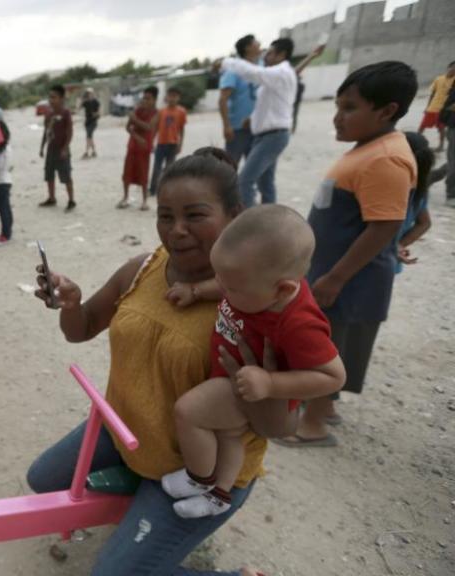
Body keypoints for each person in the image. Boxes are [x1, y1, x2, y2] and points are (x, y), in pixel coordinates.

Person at [28, 149, 266, 576]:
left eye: (194, 216)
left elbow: (284, 422)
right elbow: (80, 329)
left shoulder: (255, 304)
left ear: (235, 215)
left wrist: (260, 388)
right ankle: (141, 502)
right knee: (42, 480)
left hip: (195, 470)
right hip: (123, 430)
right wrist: (71, 302)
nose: (176, 231)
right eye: (165, 216)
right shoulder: (143, 269)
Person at [160, 205, 345, 519]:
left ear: (283, 289)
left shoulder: (299, 322)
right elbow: (223, 283)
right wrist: (196, 290)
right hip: (238, 376)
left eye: (232, 288)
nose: (224, 291)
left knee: (188, 412)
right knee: (227, 435)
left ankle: (199, 478)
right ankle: (219, 496)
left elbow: (333, 376)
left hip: (249, 384)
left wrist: (271, 383)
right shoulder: (254, 281)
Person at [278, 61, 418, 447]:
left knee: (326, 347)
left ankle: (314, 425)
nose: (338, 117)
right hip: (332, 273)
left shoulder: (386, 158)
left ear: (387, 111)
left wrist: (336, 278)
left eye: (350, 108)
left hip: (348, 280)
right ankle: (323, 407)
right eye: (338, 106)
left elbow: (385, 226)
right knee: (325, 340)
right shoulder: (368, 148)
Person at [218, 38, 298, 207]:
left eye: (269, 52)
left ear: (281, 55)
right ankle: (269, 223)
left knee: (244, 182)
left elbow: (254, 73)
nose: (265, 54)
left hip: (272, 136)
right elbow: (271, 105)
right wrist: (253, 119)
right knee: (265, 183)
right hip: (262, 134)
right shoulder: (275, 74)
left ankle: (252, 223)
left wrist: (225, 61)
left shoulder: (280, 72)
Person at [396, 132, 435, 272]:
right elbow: (424, 222)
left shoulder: (392, 186)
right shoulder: (420, 187)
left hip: (368, 259)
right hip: (388, 260)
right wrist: (399, 245)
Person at [219, 35, 260, 164]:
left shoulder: (260, 68)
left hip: (257, 127)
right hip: (237, 129)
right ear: (247, 48)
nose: (259, 44)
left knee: (253, 167)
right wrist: (227, 126)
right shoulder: (234, 71)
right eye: (256, 42)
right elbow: (222, 100)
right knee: (230, 166)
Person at [39, 84, 75, 211]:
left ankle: (71, 200)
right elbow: (46, 131)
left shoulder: (66, 113)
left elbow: (70, 132)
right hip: (51, 149)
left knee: (65, 175)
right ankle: (52, 198)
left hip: (62, 149)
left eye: (54, 97)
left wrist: (65, 148)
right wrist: (42, 147)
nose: (51, 100)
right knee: (49, 175)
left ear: (61, 98)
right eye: (50, 97)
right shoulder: (48, 114)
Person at [121, 86, 159, 210]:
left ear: (154, 100)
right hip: (133, 146)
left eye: (148, 99)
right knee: (127, 172)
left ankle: (144, 201)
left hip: (145, 148)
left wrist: (135, 120)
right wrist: (136, 137)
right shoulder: (138, 110)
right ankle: (125, 198)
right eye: (144, 98)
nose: (145, 101)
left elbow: (149, 127)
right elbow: (128, 127)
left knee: (143, 173)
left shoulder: (156, 113)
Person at [148, 87, 188, 196]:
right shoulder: (161, 111)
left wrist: (181, 144)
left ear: (178, 98)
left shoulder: (181, 112)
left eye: (175, 96)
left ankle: (166, 189)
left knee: (169, 168)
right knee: (157, 168)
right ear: (167, 97)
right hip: (161, 144)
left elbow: (181, 129)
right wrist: (151, 141)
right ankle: (153, 189)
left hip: (173, 144)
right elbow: (154, 127)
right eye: (170, 96)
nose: (172, 98)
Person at [418, 61, 455, 152]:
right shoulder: (438, 79)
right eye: (452, 67)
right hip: (433, 107)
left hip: (443, 109)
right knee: (422, 126)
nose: (453, 70)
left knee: (441, 129)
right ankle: (416, 143)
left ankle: (441, 146)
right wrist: (427, 107)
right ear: (448, 67)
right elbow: (433, 94)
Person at [81, 88, 101, 159]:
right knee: (89, 137)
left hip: (93, 122)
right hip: (87, 122)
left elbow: (99, 112)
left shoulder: (96, 102)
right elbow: (79, 107)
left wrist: (95, 114)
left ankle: (87, 152)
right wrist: (83, 99)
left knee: (88, 137)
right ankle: (93, 152)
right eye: (88, 93)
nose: (89, 95)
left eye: (90, 93)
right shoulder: (86, 102)